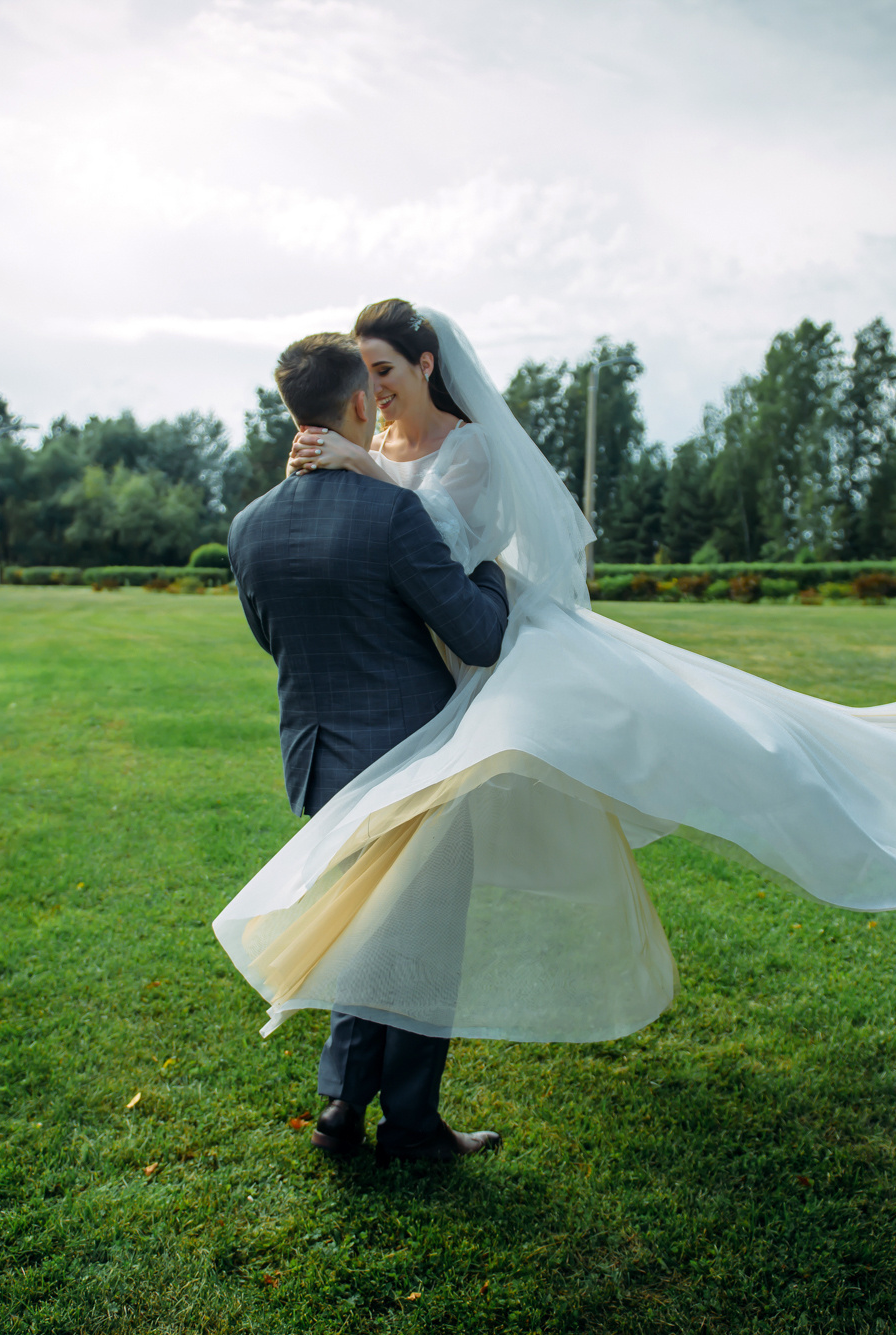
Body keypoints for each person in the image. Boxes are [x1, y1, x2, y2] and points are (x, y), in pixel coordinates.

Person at [215, 301, 896, 1077]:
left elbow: (441, 539)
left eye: (386, 369)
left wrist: (362, 471)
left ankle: (868, 792)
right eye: (366, 376)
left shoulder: (456, 451)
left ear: (425, 366)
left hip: (493, 660)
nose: (378, 391)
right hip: (426, 682)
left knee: (725, 736)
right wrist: (362, 470)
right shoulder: (371, 455)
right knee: (406, 906)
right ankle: (387, 1101)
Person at [227, 331, 506, 1164]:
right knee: (422, 936)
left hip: (317, 760)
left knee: (361, 924)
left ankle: (344, 1104)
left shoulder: (249, 527)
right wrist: (489, 567)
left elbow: (271, 638)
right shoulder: (395, 514)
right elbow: (481, 636)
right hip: (415, 753)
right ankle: (412, 1122)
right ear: (358, 405)